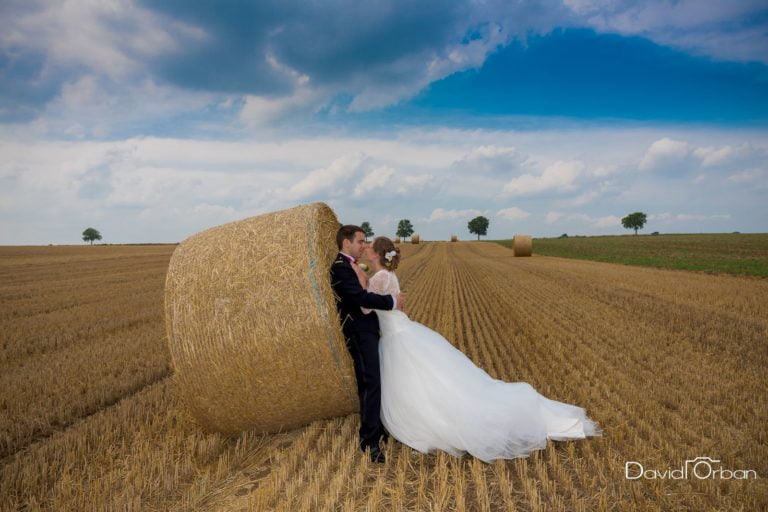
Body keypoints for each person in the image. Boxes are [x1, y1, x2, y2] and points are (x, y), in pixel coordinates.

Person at [362, 236, 602, 463]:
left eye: (369, 246)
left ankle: (427, 424)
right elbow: (397, 308)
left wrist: (359, 279)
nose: (366, 248)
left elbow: (364, 308)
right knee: (423, 381)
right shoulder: (389, 275)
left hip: (395, 335)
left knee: (414, 382)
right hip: (402, 329)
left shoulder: (379, 278)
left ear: (376, 253)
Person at [330, 225, 406, 464]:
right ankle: (369, 440)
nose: (364, 245)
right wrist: (392, 300)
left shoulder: (352, 265)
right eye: (361, 241)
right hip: (359, 332)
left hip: (370, 330)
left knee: (374, 381)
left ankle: (378, 429)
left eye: (366, 242)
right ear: (346, 243)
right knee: (370, 382)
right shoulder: (340, 268)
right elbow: (360, 299)